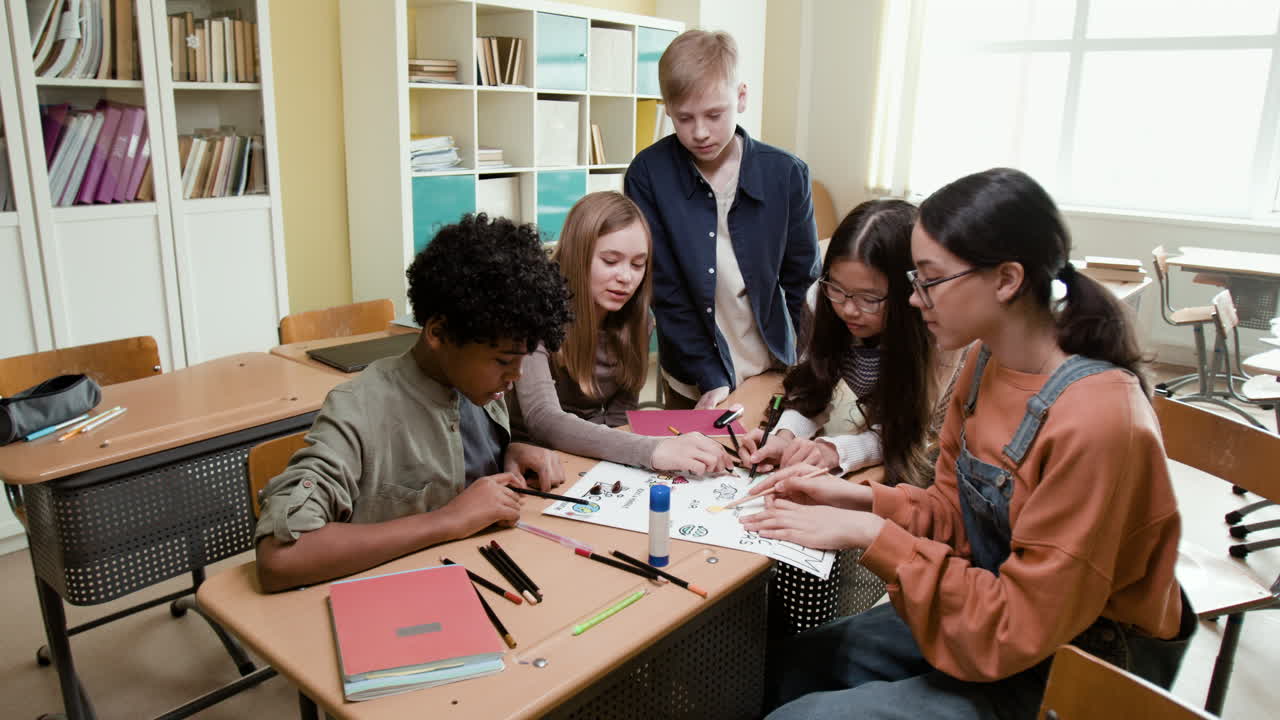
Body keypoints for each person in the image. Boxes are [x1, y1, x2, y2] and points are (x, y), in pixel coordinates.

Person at [744, 168, 1194, 718]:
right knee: (778, 670)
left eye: (928, 281)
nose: (912, 300)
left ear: (1006, 280)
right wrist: (852, 498)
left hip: (1075, 659)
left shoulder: (1099, 420)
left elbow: (1013, 628)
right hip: (998, 610)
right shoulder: (984, 360)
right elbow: (952, 511)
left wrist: (872, 533)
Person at [254, 214, 574, 593]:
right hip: (393, 601)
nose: (517, 375)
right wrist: (448, 520)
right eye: (504, 361)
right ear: (439, 333)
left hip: (478, 575)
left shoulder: (478, 388)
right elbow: (280, 556)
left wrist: (506, 451)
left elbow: (458, 463)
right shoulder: (360, 408)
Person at [624, 29, 819, 410]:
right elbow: (665, 290)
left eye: (714, 115)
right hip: (692, 372)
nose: (700, 132)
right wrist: (708, 375)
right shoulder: (647, 174)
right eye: (684, 118)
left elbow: (803, 281)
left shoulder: (788, 174)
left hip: (769, 363)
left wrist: (805, 362)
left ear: (741, 97)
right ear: (667, 109)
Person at [739, 199, 966, 488]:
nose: (848, 309)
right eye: (837, 287)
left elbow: (911, 431)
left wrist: (833, 452)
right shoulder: (821, 298)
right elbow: (813, 386)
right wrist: (785, 438)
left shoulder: (940, 330)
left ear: (907, 292)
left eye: (868, 298)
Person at [511, 192, 735, 475]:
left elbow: (618, 416)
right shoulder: (534, 313)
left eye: (638, 264)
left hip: (590, 463)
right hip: (534, 467)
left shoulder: (638, 321)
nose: (626, 278)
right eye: (610, 260)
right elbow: (543, 419)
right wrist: (652, 450)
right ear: (577, 255)